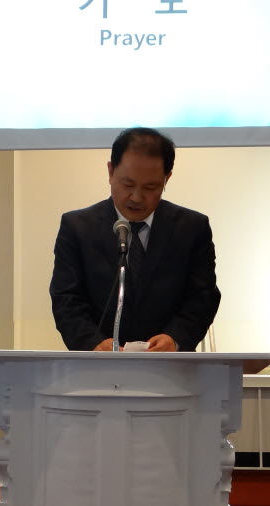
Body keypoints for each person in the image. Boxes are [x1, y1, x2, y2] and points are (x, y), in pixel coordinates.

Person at [50, 127, 221, 351]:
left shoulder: (191, 228)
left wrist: (175, 338)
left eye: (150, 187)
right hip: (98, 365)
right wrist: (92, 343)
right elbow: (66, 299)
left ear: (167, 178)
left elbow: (203, 298)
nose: (137, 197)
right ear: (110, 171)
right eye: (128, 184)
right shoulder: (77, 227)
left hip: (169, 364)